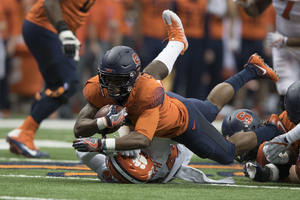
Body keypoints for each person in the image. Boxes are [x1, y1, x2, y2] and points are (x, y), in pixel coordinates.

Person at [72, 9, 280, 166]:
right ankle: (253, 68)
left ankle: (274, 126)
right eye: (108, 79)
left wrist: (101, 145)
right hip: (168, 104)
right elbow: (79, 127)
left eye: (119, 80)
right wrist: (102, 123)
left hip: (183, 123)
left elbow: (143, 138)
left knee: (227, 154)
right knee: (210, 108)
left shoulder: (147, 92)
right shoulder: (101, 87)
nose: (112, 86)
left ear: (133, 78)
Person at [6, 0, 96, 158]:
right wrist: (64, 32)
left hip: (50, 29)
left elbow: (74, 13)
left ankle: (25, 135)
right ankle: (24, 133)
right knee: (67, 83)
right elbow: (50, 2)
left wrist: (71, 36)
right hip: (44, 26)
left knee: (54, 84)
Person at [76, 128, 235, 184]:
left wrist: (107, 147)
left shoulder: (110, 175)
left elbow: (80, 150)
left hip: (168, 161)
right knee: (218, 146)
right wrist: (120, 144)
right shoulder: (159, 150)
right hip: (179, 143)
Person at [233, 0, 300, 111]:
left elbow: (270, 23)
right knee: (243, 74)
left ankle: (259, 106)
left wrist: (270, 42)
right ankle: (238, 105)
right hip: (246, 38)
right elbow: (237, 17)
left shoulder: (273, 7)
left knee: (264, 76)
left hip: (262, 39)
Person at [221, 108, 299, 183]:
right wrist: (266, 173)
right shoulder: (277, 125)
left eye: (236, 140)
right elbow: (286, 168)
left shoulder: (285, 120)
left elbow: (291, 169)